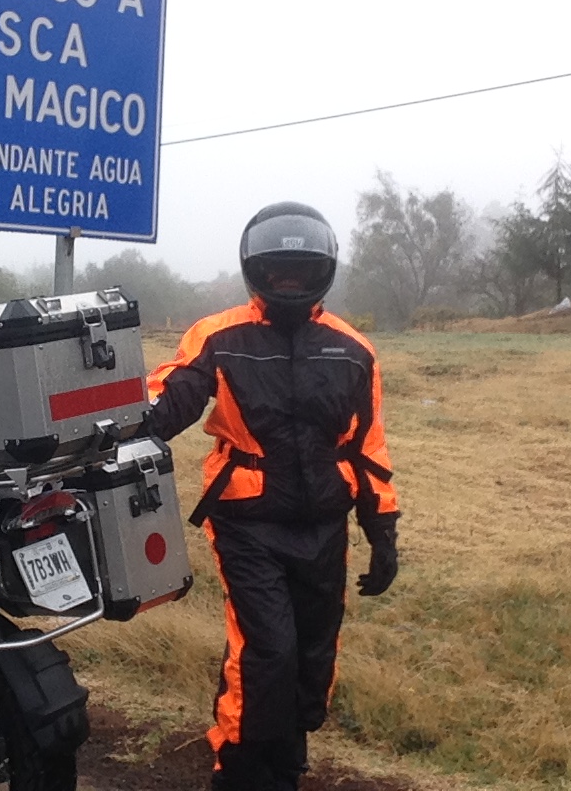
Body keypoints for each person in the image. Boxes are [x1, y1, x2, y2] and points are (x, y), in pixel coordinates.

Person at [141, 201, 400, 791]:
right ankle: (237, 768)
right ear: (255, 270)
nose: (289, 282)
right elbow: (175, 391)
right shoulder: (219, 334)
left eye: (300, 272)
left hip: (324, 523)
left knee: (313, 654)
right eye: (278, 271)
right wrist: (133, 425)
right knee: (268, 651)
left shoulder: (353, 349)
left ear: (321, 273)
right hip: (247, 519)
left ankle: (285, 758)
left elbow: (369, 448)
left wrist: (383, 533)